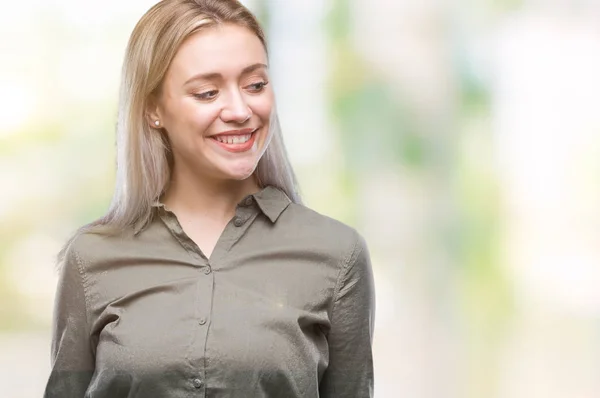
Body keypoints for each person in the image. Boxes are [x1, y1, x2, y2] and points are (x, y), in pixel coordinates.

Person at [43, 0, 376, 397]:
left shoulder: (336, 256)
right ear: (153, 109)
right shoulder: (92, 258)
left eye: (255, 85)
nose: (239, 110)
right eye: (206, 92)